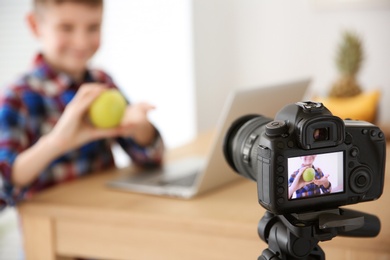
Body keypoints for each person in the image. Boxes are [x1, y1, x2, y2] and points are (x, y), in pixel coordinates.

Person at [0, 0, 164, 209]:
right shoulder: (17, 96)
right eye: (66, 28)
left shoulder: (103, 82)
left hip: (107, 216)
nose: (81, 42)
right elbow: (4, 186)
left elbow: (151, 161)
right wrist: (57, 142)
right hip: (50, 230)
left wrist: (141, 128)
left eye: (93, 27)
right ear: (35, 25)